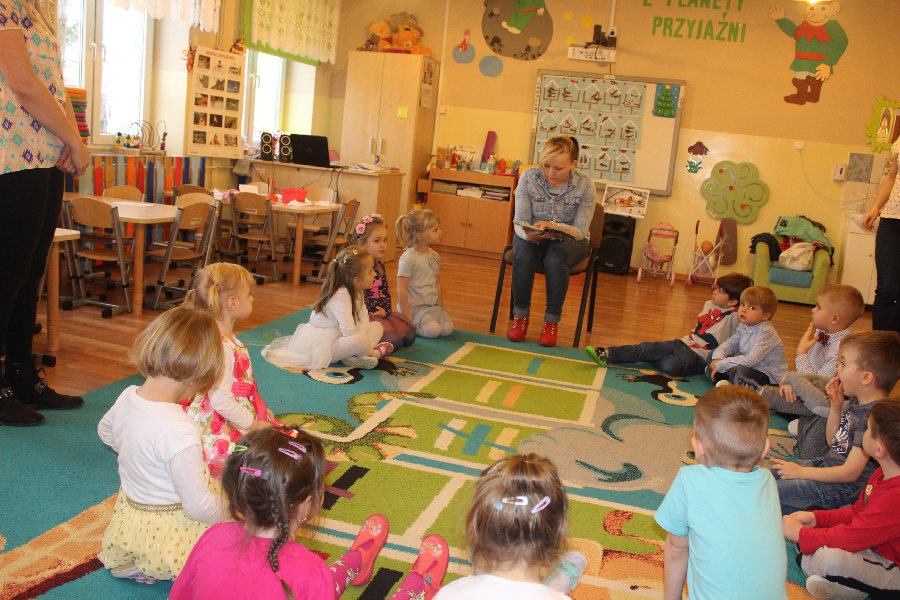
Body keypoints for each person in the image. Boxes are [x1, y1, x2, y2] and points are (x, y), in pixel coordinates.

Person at [172, 428, 450, 600]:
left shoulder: (213, 537)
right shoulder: (310, 570)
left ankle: (358, 561)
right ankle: (416, 587)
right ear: (307, 505)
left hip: (308, 582)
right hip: (312, 581)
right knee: (316, 582)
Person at [0, 0, 91, 426]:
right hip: (12, 155)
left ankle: (21, 374)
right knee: (8, 275)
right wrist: (72, 140)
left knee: (31, 272)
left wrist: (72, 140)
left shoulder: (40, 9)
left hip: (45, 154)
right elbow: (21, 83)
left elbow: (54, 85)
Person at [97, 305, 229, 583]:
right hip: (172, 528)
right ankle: (159, 561)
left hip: (134, 515)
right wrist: (233, 513)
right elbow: (198, 507)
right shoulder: (179, 428)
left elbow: (105, 432)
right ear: (200, 376)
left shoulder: (127, 396)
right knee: (231, 538)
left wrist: (139, 454)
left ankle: (140, 557)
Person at [654, 386, 787, 600]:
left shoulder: (689, 480)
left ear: (697, 447)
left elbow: (677, 551)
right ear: (766, 449)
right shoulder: (768, 481)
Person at [770, 331, 900, 515]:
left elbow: (850, 473)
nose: (838, 369)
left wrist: (800, 472)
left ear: (866, 378)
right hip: (828, 466)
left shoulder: (873, 417)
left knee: (771, 494)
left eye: (843, 364)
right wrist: (836, 408)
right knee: (767, 478)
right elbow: (834, 443)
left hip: (843, 488)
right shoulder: (856, 403)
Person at [782, 399, 900, 600]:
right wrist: (817, 518)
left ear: (879, 449)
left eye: (868, 429)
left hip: (892, 566)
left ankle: (851, 586)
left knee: (829, 559)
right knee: (818, 530)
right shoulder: (882, 473)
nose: (863, 432)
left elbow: (853, 536)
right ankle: (850, 584)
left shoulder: (895, 497)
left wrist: (802, 535)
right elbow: (856, 512)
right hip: (872, 544)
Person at [434, 454, 585, 599]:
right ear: (559, 533)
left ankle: (484, 576)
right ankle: (554, 587)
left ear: (476, 533)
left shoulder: (449, 594)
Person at [181, 263, 280, 477]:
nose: (252, 299)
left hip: (227, 408)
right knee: (265, 456)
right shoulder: (222, 346)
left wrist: (256, 408)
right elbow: (220, 400)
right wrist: (254, 424)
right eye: (249, 294)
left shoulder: (224, 338)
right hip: (220, 419)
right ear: (232, 302)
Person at [507, 135, 596, 347]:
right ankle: (520, 318)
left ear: (573, 164)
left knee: (555, 259)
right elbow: (520, 221)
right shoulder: (529, 178)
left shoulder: (585, 185)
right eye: (546, 165)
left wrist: (554, 227)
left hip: (570, 239)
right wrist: (527, 234)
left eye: (558, 168)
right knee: (523, 254)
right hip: (533, 236)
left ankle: (551, 322)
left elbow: (580, 231)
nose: (550, 173)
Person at [760, 284, 865, 460]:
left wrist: (801, 354)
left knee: (776, 397)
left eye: (818, 306)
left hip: (823, 402)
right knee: (780, 393)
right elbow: (808, 377)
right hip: (809, 391)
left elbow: (820, 386)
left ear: (834, 319)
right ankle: (762, 395)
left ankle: (759, 394)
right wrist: (791, 383)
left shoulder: (842, 348)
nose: (813, 310)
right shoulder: (821, 331)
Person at [584, 273, 753, 375]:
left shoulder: (736, 316)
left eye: (720, 291)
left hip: (699, 357)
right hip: (683, 343)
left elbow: (748, 326)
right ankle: (607, 354)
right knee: (645, 348)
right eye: (716, 287)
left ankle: (655, 358)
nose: (714, 291)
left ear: (732, 302)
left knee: (670, 365)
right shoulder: (709, 304)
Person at [262, 246, 393, 370]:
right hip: (326, 345)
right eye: (370, 271)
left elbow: (362, 318)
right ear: (357, 280)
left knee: (377, 326)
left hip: (343, 337)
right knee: (360, 340)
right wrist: (362, 343)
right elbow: (349, 332)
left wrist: (362, 337)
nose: (375, 274)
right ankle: (374, 353)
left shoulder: (357, 290)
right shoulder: (341, 295)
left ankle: (354, 355)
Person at [706, 285, 788, 389]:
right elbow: (731, 344)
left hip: (768, 379)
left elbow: (751, 360)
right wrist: (718, 358)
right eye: (743, 304)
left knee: (740, 372)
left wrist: (722, 363)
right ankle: (725, 381)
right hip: (749, 368)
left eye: (752, 308)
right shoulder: (745, 325)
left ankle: (724, 380)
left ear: (766, 316)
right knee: (713, 354)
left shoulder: (766, 332)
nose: (743, 310)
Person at [355, 213, 416, 349]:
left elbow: (386, 293)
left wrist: (386, 311)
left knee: (410, 333)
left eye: (385, 240)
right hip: (365, 318)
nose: (383, 245)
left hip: (381, 315)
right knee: (394, 340)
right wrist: (371, 314)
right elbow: (357, 299)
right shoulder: (358, 268)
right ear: (362, 243)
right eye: (377, 241)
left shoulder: (380, 266)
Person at [396, 209, 454, 339]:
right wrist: (406, 316)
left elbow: (437, 283)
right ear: (419, 235)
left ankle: (429, 321)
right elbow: (402, 289)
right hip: (415, 308)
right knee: (433, 331)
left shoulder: (435, 256)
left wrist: (440, 306)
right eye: (435, 230)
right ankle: (410, 325)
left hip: (432, 306)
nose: (440, 232)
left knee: (447, 329)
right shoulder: (408, 258)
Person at [863, 138, 900, 334]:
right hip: (892, 220)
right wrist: (876, 207)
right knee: (886, 287)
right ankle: (880, 346)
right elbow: (892, 176)